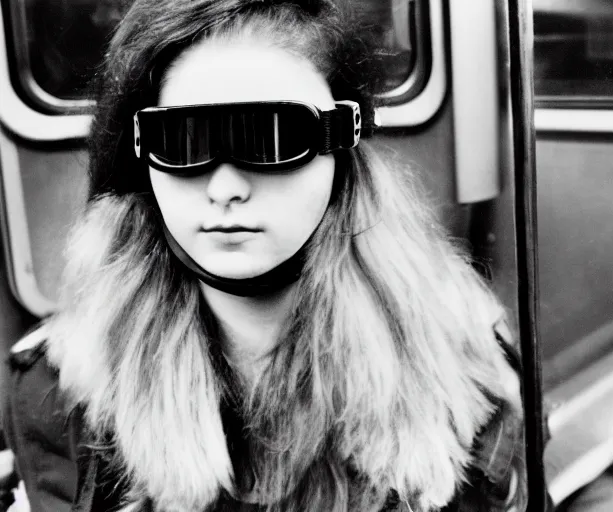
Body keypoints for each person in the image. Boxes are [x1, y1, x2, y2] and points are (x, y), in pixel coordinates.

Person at [3, 0, 532, 510]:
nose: (226, 185)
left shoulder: (461, 365)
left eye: (274, 138)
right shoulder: (63, 393)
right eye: (181, 141)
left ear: (341, 148)